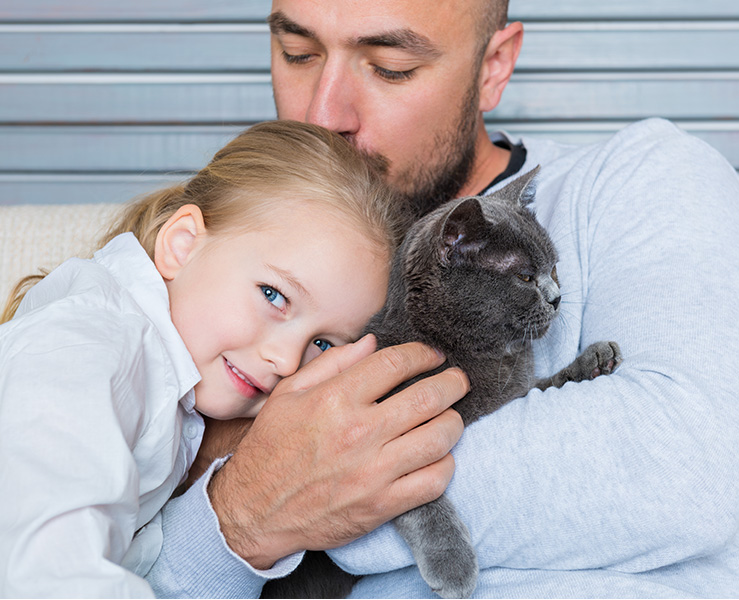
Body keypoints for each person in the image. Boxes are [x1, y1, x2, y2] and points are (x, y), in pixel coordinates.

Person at [148, 0, 739, 597]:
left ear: (494, 67)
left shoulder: (641, 180)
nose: (324, 115)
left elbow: (678, 462)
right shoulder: (236, 253)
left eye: (390, 67)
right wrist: (238, 515)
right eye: (298, 54)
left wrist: (270, 496)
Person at [0, 120, 468, 597]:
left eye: (324, 344)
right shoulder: (88, 351)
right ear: (182, 244)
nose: (287, 360)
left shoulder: (168, 384)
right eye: (274, 295)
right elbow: (47, 575)